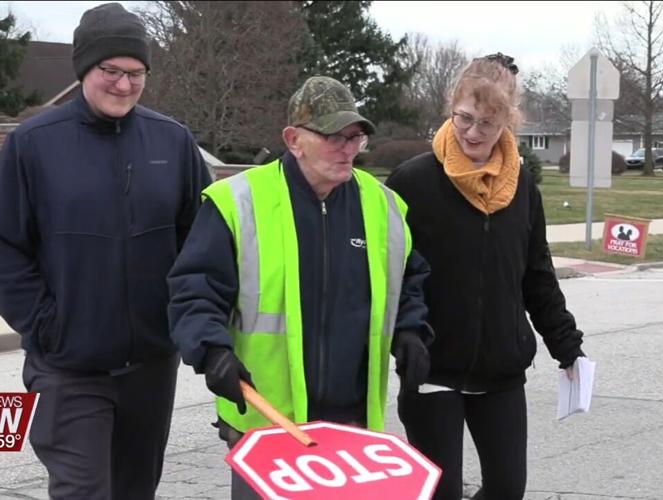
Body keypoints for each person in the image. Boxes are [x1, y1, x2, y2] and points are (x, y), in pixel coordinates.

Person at [0, 3, 212, 498]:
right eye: (111, 70)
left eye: (136, 73)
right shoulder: (32, 144)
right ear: (85, 67)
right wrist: (49, 326)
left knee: (135, 490)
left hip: (151, 366)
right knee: (82, 490)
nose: (124, 85)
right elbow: (5, 250)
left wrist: (180, 323)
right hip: (69, 367)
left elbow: (200, 245)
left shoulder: (173, 142)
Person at [167, 76, 432, 498]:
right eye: (334, 136)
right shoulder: (237, 202)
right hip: (267, 425)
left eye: (356, 137)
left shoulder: (383, 205)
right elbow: (194, 289)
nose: (348, 149)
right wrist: (211, 350)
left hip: (351, 425)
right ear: (294, 139)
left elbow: (410, 279)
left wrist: (410, 329)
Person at [385, 53, 586, 500]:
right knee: (442, 494)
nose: (473, 133)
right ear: (451, 108)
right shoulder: (412, 182)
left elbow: (536, 275)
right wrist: (403, 335)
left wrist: (566, 346)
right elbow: (385, 274)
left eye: (488, 124)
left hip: (501, 369)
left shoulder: (521, 190)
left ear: (508, 124)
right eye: (465, 118)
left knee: (506, 489)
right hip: (433, 365)